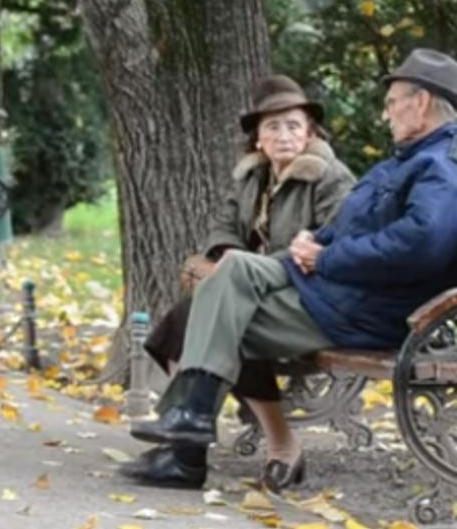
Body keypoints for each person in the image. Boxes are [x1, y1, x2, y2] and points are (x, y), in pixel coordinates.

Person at [131, 48, 457, 491]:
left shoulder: (441, 165)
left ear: (421, 102)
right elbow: (346, 225)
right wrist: (314, 243)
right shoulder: (405, 161)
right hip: (336, 291)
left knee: (215, 313)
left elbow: (420, 245)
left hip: (366, 310)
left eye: (392, 102)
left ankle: (187, 445)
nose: (386, 114)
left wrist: (326, 257)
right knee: (230, 278)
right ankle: (189, 426)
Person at [123, 75, 355, 491]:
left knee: (229, 320)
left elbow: (332, 245)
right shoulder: (252, 178)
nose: (284, 136)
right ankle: (186, 450)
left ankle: (209, 450)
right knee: (183, 322)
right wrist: (225, 255)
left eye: (294, 126)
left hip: (305, 292)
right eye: (273, 127)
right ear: (257, 139)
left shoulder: (331, 177)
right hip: (253, 285)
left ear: (310, 133)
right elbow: (224, 227)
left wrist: (250, 267)